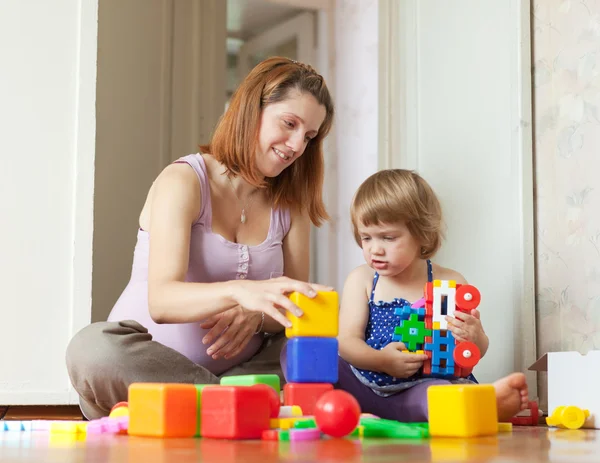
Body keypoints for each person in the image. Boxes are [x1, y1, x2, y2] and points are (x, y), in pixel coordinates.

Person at [66, 57, 335, 420]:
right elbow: (162, 301)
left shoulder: (291, 206)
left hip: (242, 374)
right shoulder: (185, 181)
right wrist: (241, 292)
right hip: (147, 370)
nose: (296, 145)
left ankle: (208, 411)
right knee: (92, 349)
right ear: (250, 110)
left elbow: (293, 312)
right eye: (289, 124)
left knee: (312, 350)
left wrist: (256, 318)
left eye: (309, 136)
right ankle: (233, 410)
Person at [281, 169, 529, 422]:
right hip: (363, 386)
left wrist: (475, 337)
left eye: (388, 238)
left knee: (440, 394)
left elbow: (475, 350)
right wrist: (381, 361)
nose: (374, 249)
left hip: (421, 389)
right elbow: (347, 342)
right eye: (366, 237)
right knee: (299, 353)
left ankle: (482, 405)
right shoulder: (363, 279)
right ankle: (315, 409)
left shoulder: (450, 282)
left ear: (421, 234)